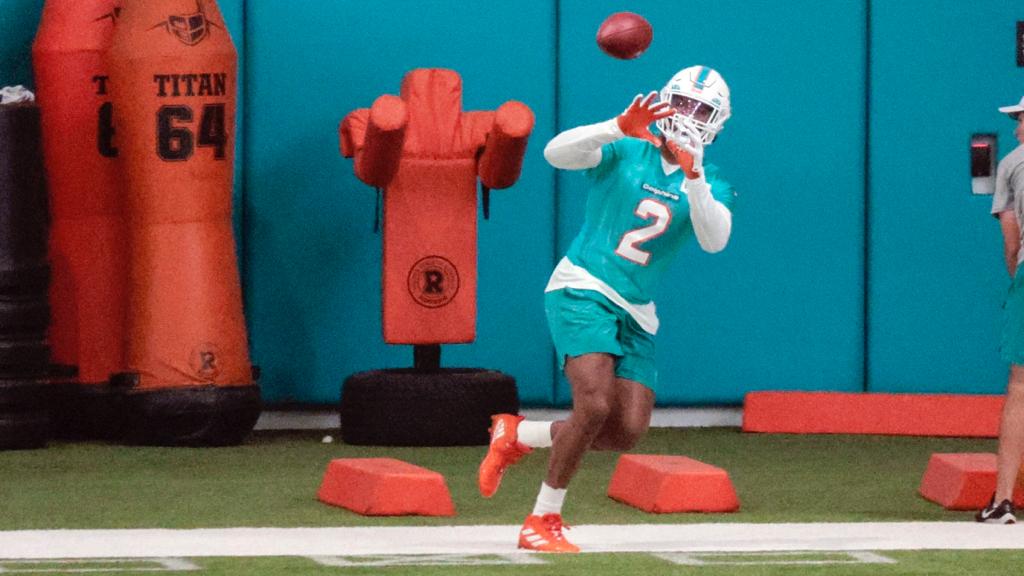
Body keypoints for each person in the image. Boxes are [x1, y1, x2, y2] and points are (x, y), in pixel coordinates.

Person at [477, 66, 737, 552]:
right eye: (681, 103)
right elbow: (556, 153)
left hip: (637, 309)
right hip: (583, 286)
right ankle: (541, 520)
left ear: (716, 124)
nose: (687, 116)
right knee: (593, 403)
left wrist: (694, 174)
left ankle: (519, 434)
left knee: (623, 430)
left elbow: (714, 239)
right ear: (664, 102)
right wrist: (617, 125)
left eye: (701, 110)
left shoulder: (710, 181)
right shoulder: (627, 146)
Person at [980, 95, 1024, 524]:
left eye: (1021, 119)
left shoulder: (1012, 163)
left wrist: (1017, 278)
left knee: (1020, 388)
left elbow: (1011, 241)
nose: (1015, 128)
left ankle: (1004, 500)